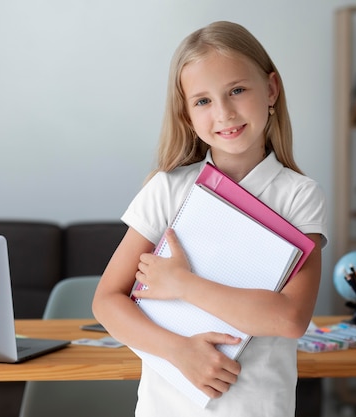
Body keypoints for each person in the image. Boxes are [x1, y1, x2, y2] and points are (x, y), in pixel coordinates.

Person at [92, 20, 327, 416]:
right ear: (187, 115)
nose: (224, 113)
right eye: (203, 101)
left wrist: (181, 283)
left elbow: (289, 319)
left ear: (270, 89)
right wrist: (180, 352)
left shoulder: (299, 197)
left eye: (237, 90)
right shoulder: (167, 189)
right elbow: (106, 302)